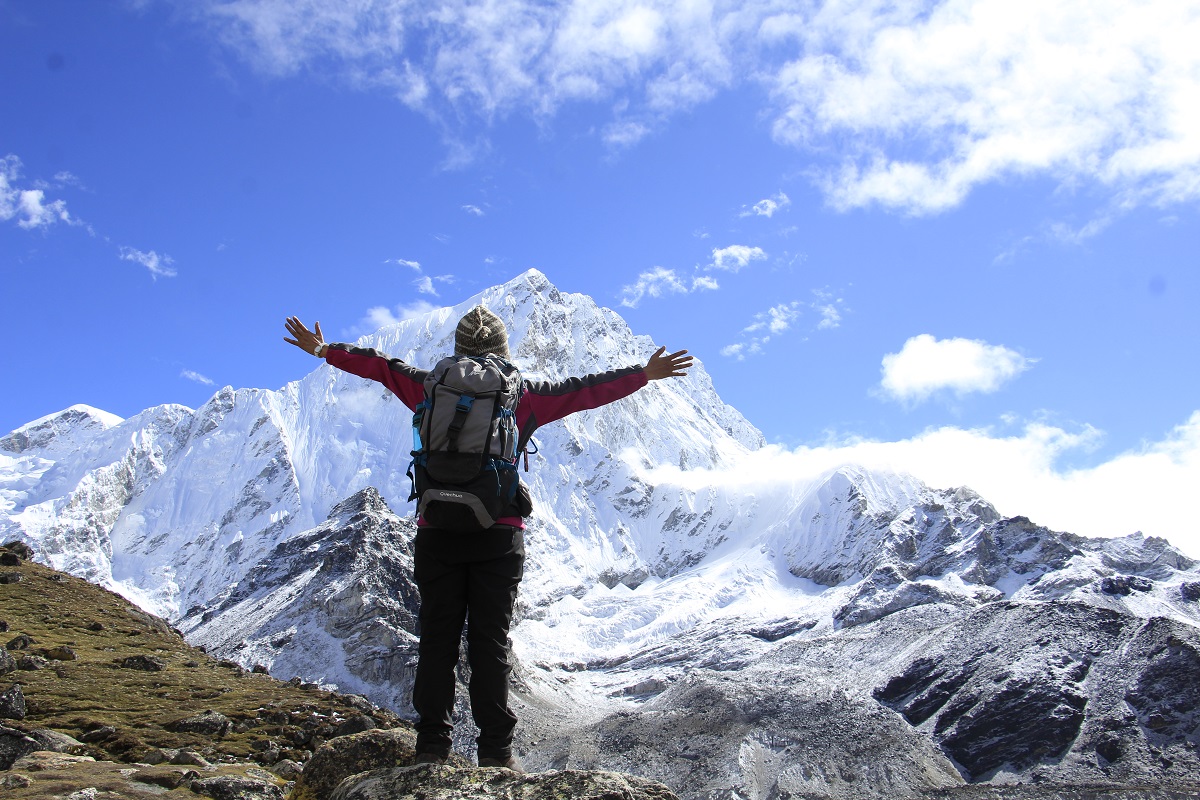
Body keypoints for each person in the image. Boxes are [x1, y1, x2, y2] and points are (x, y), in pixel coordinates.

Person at [284, 305, 692, 771]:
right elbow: (585, 391)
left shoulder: (429, 386)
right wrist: (642, 373)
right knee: (489, 643)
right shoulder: (522, 397)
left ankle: (432, 745)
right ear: (503, 348)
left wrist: (323, 349)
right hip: (498, 533)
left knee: (437, 637)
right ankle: (496, 753)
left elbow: (379, 366)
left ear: (457, 348)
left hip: (436, 528)